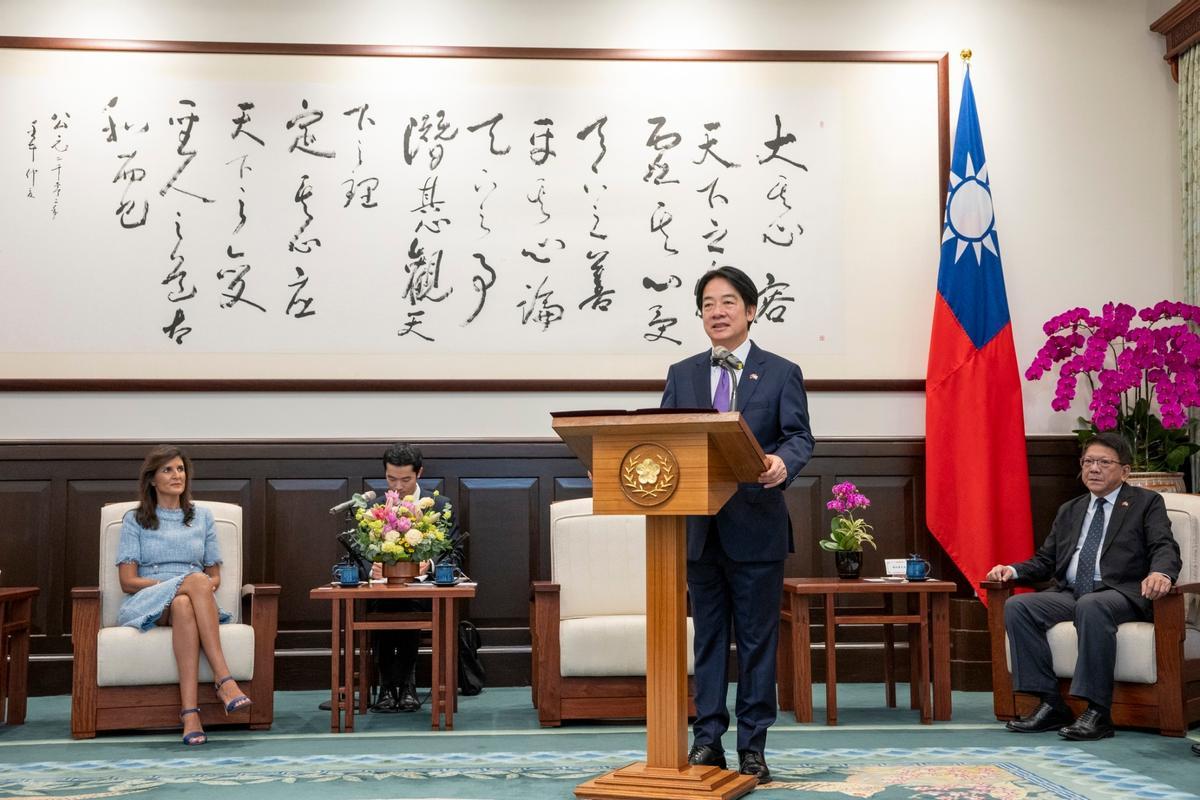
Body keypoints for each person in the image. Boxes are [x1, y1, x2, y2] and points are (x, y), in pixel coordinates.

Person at [660, 266, 813, 784]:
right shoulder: (681, 373)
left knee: (755, 642)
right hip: (699, 532)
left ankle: (753, 747)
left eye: (728, 303)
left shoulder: (780, 371)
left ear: (750, 310)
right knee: (706, 640)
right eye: (707, 304)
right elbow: (664, 440)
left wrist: (782, 463)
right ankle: (707, 740)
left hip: (757, 528)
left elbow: (799, 437)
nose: (717, 312)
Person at [986, 431, 1181, 741]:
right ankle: (1050, 703)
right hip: (1072, 590)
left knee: (1092, 605)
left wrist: (1161, 573)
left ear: (1125, 470)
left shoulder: (1146, 503)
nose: (1094, 469)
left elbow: (1164, 546)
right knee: (1018, 606)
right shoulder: (1071, 509)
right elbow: (1046, 561)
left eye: (1104, 462)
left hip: (1121, 591)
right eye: (1088, 461)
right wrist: (1012, 570)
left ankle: (1097, 712)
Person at [116, 445, 251, 746]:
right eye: (167, 470)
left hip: (192, 599)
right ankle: (225, 680)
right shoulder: (134, 519)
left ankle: (190, 714)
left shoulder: (201, 517)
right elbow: (127, 580)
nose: (177, 475)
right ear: (151, 479)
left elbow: (214, 575)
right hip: (148, 599)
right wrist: (181, 581)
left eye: (180, 469)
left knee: (184, 602)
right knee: (191, 584)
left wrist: (191, 585)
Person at [367, 443, 461, 713]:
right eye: (391, 479)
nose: (398, 486)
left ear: (419, 473)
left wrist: (428, 564)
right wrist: (370, 568)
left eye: (405, 479)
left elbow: (456, 553)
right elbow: (357, 552)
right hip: (380, 591)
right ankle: (391, 686)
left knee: (408, 603)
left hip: (423, 591)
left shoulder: (440, 506)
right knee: (384, 605)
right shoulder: (374, 506)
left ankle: (402, 685)